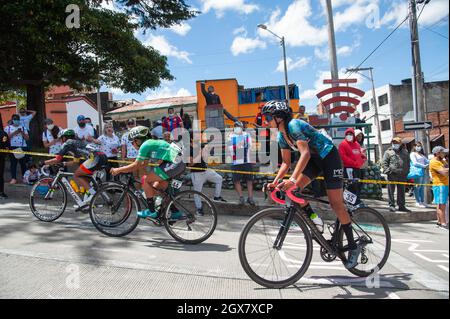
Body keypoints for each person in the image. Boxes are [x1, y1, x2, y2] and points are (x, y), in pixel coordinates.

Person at [261, 100, 362, 269]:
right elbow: (286, 163)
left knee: (336, 204)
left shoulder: (293, 126)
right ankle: (315, 220)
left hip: (329, 157)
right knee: (293, 192)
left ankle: (353, 247)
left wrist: (292, 180)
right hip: (315, 160)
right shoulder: (281, 135)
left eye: (268, 117)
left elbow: (305, 153)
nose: (265, 121)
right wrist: (275, 182)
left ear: (279, 117)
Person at [110, 126, 186, 219]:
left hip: (173, 164)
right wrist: (127, 168)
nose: (132, 145)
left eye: (132, 142)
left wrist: (118, 170)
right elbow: (143, 164)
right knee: (157, 188)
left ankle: (151, 211)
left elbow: (136, 165)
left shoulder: (145, 145)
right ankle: (174, 212)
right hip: (177, 164)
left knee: (145, 180)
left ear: (137, 140)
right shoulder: (151, 143)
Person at [43, 129, 107, 207]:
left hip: (95, 158)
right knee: (84, 179)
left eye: (61, 138)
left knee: (76, 175)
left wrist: (44, 162)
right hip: (102, 156)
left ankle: (93, 195)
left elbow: (58, 159)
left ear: (64, 137)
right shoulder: (77, 143)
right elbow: (76, 161)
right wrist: (64, 163)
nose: (61, 141)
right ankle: (86, 203)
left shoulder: (68, 143)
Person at [189, 137, 226, 215]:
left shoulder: (200, 147)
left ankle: (217, 196)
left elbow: (206, 159)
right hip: (196, 173)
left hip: (205, 171)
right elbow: (191, 164)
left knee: (219, 179)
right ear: (192, 139)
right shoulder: (188, 149)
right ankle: (199, 209)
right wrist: (200, 154)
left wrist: (206, 152)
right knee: (197, 192)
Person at [229, 122, 255, 206]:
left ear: (242, 127)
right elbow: (229, 148)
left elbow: (251, 147)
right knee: (236, 180)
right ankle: (241, 197)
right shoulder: (230, 136)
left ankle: (250, 198)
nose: (238, 128)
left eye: (239, 126)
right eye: (236, 126)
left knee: (249, 180)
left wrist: (253, 158)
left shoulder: (247, 135)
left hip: (246, 160)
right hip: (235, 161)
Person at [382, 137, 411, 212]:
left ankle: (401, 206)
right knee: (391, 191)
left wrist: (407, 171)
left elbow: (408, 162)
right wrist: (388, 171)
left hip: (402, 175)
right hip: (392, 174)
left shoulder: (405, 152)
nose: (395, 144)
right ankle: (391, 205)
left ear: (400, 143)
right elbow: (384, 163)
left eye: (397, 143)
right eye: (394, 142)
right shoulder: (388, 152)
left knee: (401, 191)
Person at [338, 128, 367, 204]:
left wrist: (362, 160)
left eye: (351, 134)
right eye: (347, 134)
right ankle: (348, 202)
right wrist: (354, 163)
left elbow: (360, 155)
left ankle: (356, 200)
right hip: (349, 169)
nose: (349, 136)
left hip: (357, 168)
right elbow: (343, 157)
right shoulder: (343, 144)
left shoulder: (357, 144)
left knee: (357, 185)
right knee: (350, 185)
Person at [4, 114, 29, 184]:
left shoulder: (23, 128)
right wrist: (15, 132)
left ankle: (24, 178)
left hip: (22, 147)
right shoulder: (7, 128)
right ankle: (13, 178)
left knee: (23, 163)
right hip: (12, 147)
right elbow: (5, 138)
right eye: (15, 119)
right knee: (13, 163)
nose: (16, 121)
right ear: (12, 120)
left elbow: (27, 138)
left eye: (18, 119)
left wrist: (22, 132)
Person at [429, 146, 449, 230]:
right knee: (441, 205)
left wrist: (446, 168)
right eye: (442, 152)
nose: (444, 154)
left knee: (441, 204)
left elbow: (446, 169)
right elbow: (444, 172)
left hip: (444, 184)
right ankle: (443, 224)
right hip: (439, 185)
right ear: (437, 153)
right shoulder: (434, 162)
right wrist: (446, 169)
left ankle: (439, 221)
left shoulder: (442, 161)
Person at [409, 142, 429, 208]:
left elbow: (427, 161)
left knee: (422, 187)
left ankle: (422, 201)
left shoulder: (421, 155)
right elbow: (415, 163)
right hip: (417, 172)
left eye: (420, 146)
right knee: (417, 187)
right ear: (414, 147)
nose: (419, 147)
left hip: (423, 172)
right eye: (417, 146)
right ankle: (417, 201)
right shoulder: (412, 154)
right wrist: (424, 166)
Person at [0, 114, 9, 199]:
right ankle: (1, 192)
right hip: (1, 158)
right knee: (0, 175)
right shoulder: (4, 134)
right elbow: (6, 146)